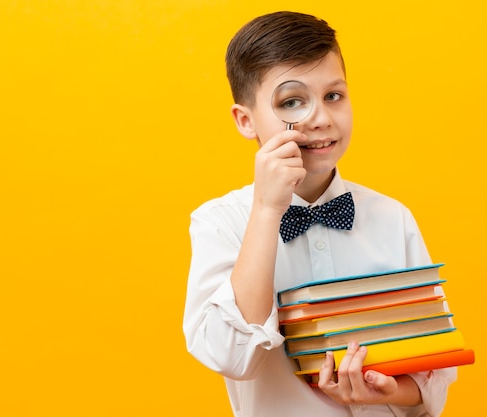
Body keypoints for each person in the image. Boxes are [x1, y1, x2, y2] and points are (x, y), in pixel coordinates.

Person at [182, 10, 456, 417]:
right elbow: (232, 357)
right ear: (245, 120)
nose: (321, 119)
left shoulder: (392, 218)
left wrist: (387, 392)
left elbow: (434, 375)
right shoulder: (219, 222)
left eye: (333, 96)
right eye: (292, 102)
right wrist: (266, 210)